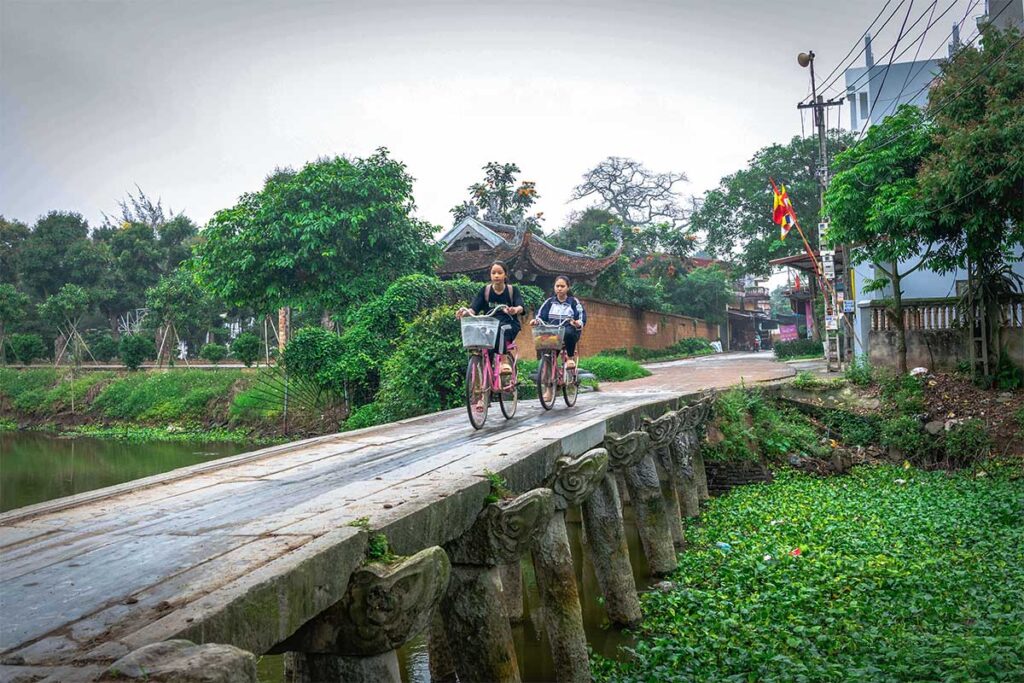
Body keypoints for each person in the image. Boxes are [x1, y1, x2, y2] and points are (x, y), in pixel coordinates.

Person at [456, 260, 524, 374]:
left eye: (499, 273)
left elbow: (520, 306)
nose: (496, 275)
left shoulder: (512, 290)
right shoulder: (485, 291)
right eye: (493, 273)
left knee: (501, 328)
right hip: (490, 324)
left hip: (509, 323)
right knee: (474, 328)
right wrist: (465, 312)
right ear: (490, 275)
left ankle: (504, 361)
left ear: (505, 275)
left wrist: (514, 309)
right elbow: (474, 308)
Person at [530, 274, 586, 369]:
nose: (559, 288)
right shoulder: (549, 302)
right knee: (541, 337)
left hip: (567, 331)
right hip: (553, 332)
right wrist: (536, 321)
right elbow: (540, 316)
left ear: (568, 287)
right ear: (554, 287)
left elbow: (581, 316)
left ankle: (570, 358)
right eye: (557, 286)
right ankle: (547, 367)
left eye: (562, 286)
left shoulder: (574, 302)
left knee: (568, 332)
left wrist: (577, 323)